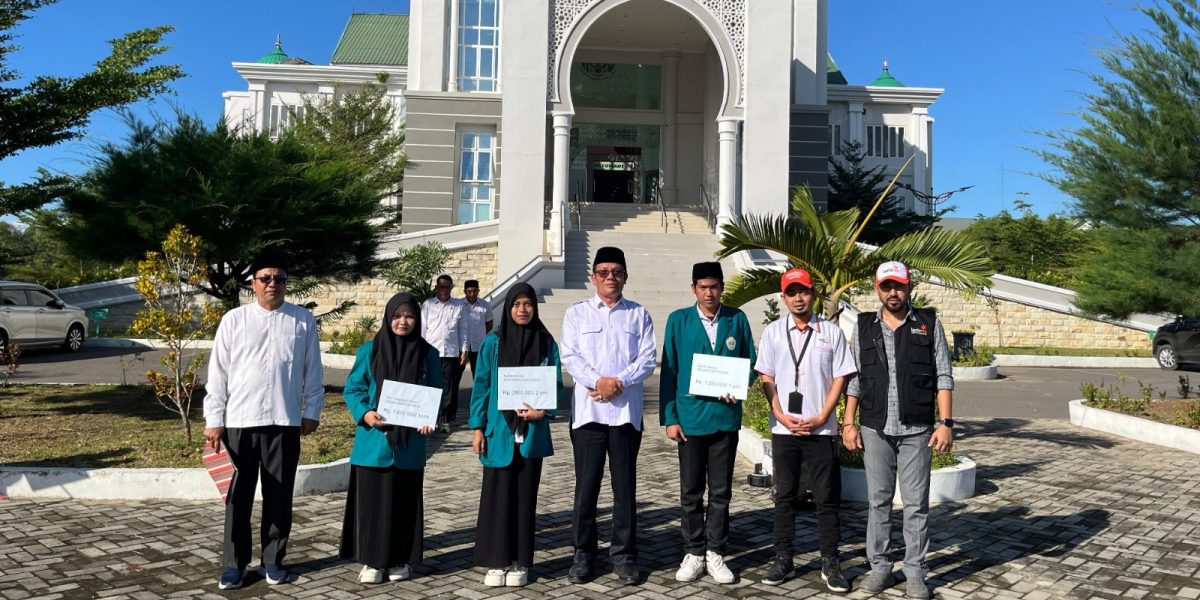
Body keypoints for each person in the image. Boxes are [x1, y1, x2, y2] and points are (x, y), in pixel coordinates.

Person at [203, 254, 324, 590]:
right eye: (266, 278)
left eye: (280, 278)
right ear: (253, 283)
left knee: (279, 496)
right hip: (239, 422)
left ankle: (273, 560)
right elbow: (218, 373)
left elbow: (313, 369)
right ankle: (235, 564)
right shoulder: (234, 320)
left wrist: (312, 411)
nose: (273, 284)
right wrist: (214, 419)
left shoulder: (302, 321)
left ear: (287, 283)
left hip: (284, 422)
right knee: (237, 498)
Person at [841, 261, 955, 600]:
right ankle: (880, 567)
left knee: (916, 504)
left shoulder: (928, 324)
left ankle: (915, 571)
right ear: (877, 288)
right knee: (878, 502)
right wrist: (848, 423)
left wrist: (946, 423)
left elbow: (943, 375)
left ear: (909, 287)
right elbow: (854, 379)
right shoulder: (863, 326)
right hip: (875, 428)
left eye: (899, 286)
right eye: (887, 286)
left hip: (917, 428)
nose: (893, 292)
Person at [560, 246, 657, 585]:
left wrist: (619, 382)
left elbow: (647, 359)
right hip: (588, 415)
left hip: (625, 415)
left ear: (625, 276)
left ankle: (624, 555)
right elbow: (570, 356)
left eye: (616, 272)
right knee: (586, 488)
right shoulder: (577, 313)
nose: (610, 277)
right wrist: (597, 381)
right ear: (593, 277)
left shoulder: (639, 314)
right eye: (603, 272)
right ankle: (583, 553)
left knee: (624, 488)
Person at [755, 268, 856, 592]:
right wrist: (780, 415)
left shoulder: (831, 332)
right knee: (784, 497)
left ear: (813, 294)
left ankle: (830, 561)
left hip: (821, 430)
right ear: (783, 297)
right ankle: (783, 558)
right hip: (784, 430)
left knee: (827, 499)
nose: (798, 298)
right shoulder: (773, 332)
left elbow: (841, 377)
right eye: (791, 292)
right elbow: (766, 377)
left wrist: (823, 416)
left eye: (804, 291)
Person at [659, 261, 757, 585]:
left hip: (724, 419)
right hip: (690, 419)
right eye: (703, 287)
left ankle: (715, 551)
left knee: (721, 491)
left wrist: (739, 386)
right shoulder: (679, 320)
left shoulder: (736, 319)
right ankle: (693, 551)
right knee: (690, 491)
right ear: (694, 289)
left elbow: (751, 362)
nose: (709, 293)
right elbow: (669, 372)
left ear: (722, 288)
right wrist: (670, 418)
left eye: (714, 286)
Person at [339, 293, 443, 584]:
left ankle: (400, 560)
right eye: (397, 316)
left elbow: (437, 393)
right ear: (388, 318)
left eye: (409, 316)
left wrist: (431, 418)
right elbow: (353, 389)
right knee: (372, 506)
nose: (403, 322)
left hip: (410, 445)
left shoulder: (428, 354)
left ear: (417, 319)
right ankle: (372, 562)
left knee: (404, 504)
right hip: (374, 443)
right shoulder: (369, 350)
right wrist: (365, 413)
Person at [469, 283, 563, 587]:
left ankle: (521, 562)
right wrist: (478, 427)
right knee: (496, 499)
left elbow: (556, 384)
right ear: (508, 308)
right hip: (499, 433)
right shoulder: (493, 343)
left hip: (531, 433)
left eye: (528, 304)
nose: (522, 310)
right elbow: (481, 386)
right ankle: (497, 562)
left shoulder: (546, 342)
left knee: (524, 500)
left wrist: (544, 411)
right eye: (516, 304)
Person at [422, 274, 468, 433]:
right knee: (430, 385)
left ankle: (445, 420)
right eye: (441, 287)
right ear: (436, 287)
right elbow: (422, 328)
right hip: (430, 352)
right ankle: (430, 418)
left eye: (447, 287)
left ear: (451, 288)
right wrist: (420, 350)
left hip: (450, 353)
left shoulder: (459, 305)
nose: (444, 290)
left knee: (448, 387)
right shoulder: (428, 304)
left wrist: (464, 350)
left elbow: (463, 329)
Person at [461, 279, 493, 379]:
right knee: (456, 375)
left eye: (475, 291)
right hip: (461, 346)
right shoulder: (459, 305)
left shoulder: (485, 305)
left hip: (478, 346)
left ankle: (477, 390)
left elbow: (489, 324)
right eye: (469, 291)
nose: (472, 294)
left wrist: (480, 334)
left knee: (478, 375)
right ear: (464, 291)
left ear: (478, 291)